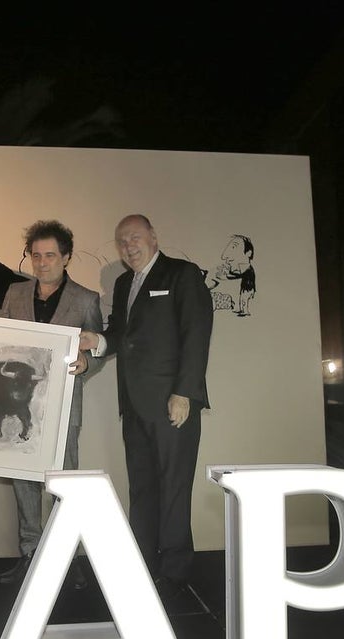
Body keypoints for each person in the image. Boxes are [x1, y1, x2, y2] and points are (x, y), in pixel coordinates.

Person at [78, 214, 213, 598]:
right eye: (122, 241)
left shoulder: (182, 275)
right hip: (134, 405)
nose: (128, 246)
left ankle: (174, 571)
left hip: (173, 402)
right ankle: (143, 563)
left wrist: (184, 393)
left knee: (173, 486)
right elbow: (121, 332)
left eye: (135, 238)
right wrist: (98, 342)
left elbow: (197, 335)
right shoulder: (124, 284)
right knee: (143, 486)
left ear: (153, 237)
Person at [0, 220, 103, 588]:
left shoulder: (87, 299)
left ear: (66, 257)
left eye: (50, 255)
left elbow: (99, 348)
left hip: (64, 407)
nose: (42, 262)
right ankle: (30, 553)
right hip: (18, 405)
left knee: (64, 484)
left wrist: (89, 362)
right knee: (23, 481)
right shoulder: (14, 294)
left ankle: (66, 560)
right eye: (36, 255)